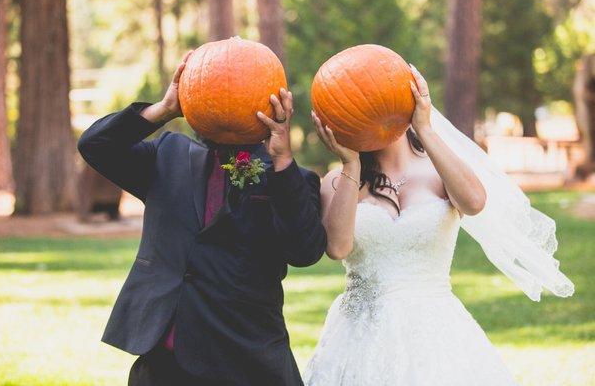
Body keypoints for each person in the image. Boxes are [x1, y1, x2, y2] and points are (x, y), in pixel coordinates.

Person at [303, 65, 574, 385]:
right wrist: (351, 163)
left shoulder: (438, 170)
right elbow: (338, 247)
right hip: (358, 332)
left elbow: (474, 203)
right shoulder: (337, 181)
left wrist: (426, 128)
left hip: (437, 329)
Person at [78, 52, 327, 386]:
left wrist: (282, 160)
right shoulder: (166, 156)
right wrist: (163, 109)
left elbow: (305, 251)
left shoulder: (286, 177)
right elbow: (96, 145)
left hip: (243, 357)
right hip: (163, 358)